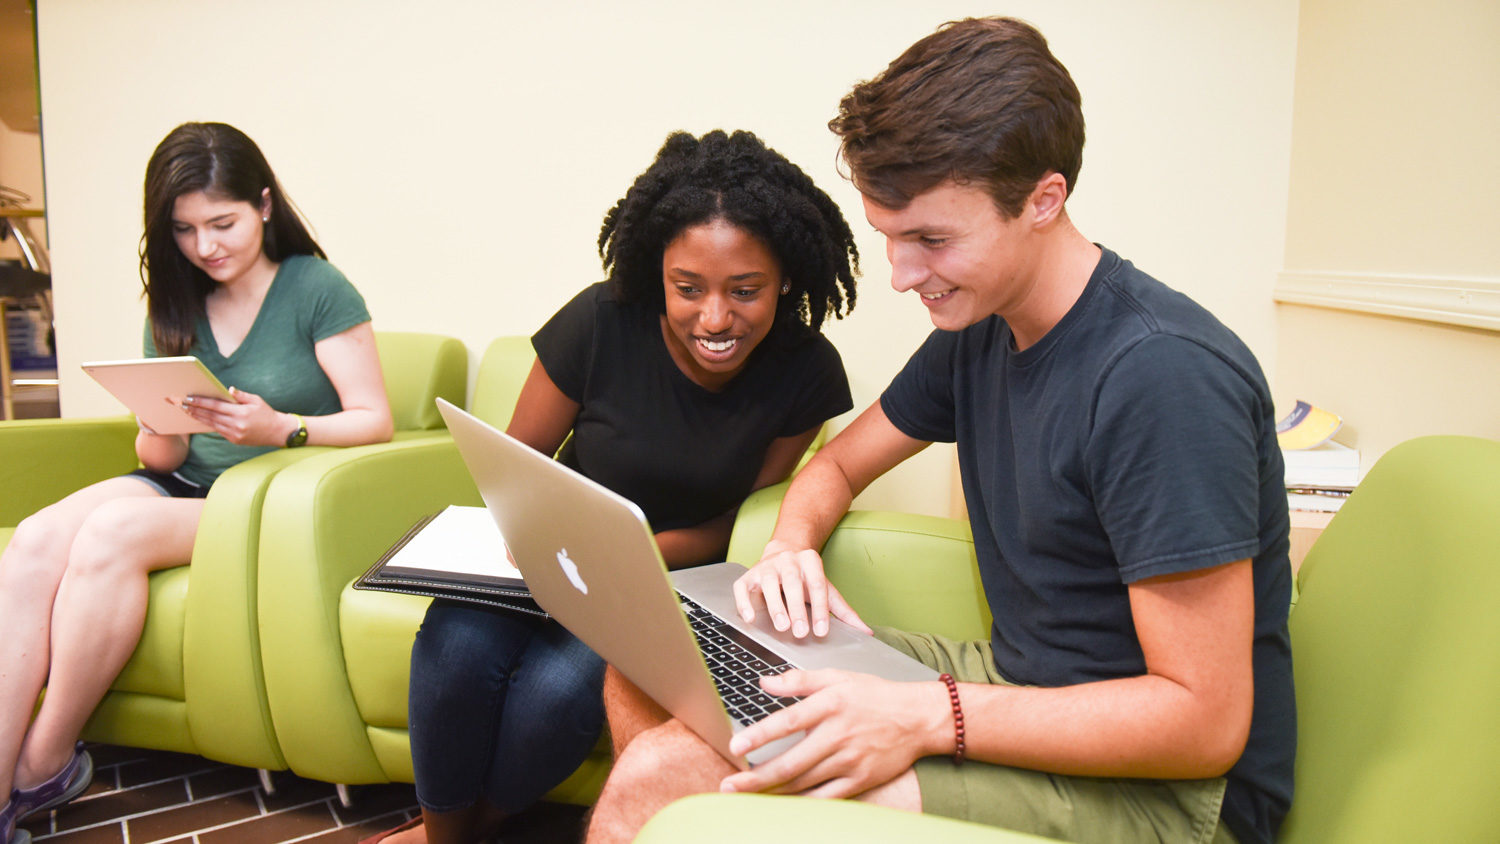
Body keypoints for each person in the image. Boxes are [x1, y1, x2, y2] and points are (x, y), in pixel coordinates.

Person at [586, 18, 1295, 844]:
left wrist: (928, 716)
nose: (900, 275)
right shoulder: (981, 332)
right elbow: (835, 468)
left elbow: (1202, 724)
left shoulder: (1161, 377)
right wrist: (790, 546)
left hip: (1175, 796)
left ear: (1043, 199)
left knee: (664, 779)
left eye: (930, 239)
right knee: (648, 655)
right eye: (891, 237)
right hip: (1020, 691)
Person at [367, 129, 859, 844]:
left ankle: (473, 828)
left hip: (660, 581)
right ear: (656, 269)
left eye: (744, 291)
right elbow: (513, 461)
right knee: (455, 646)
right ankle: (441, 834)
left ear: (783, 279)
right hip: (542, 551)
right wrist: (541, 539)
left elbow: (744, 517)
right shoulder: (601, 320)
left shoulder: (805, 370)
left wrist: (637, 554)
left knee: (557, 695)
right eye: (687, 289)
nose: (715, 318)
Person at [0, 122, 393, 844]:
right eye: (184, 229)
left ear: (265, 206)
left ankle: (44, 761)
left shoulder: (316, 287)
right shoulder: (175, 300)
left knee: (111, 533)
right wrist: (158, 425)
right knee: (33, 541)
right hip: (183, 484)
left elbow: (375, 420)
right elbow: (160, 458)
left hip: (265, 508)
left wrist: (284, 428)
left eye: (223, 223)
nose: (206, 246)